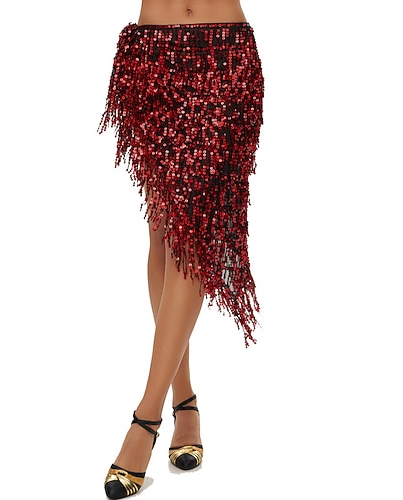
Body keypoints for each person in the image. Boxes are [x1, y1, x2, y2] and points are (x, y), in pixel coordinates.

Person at [98, 1, 264, 498]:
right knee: (162, 234)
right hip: (151, 57)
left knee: (191, 240)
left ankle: (145, 419)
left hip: (224, 59)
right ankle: (185, 401)